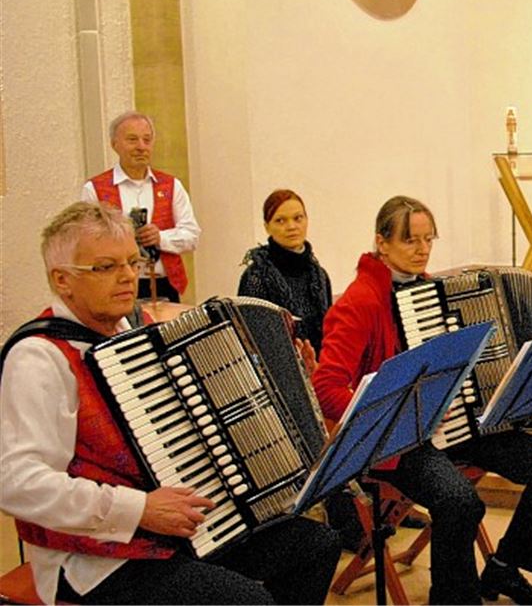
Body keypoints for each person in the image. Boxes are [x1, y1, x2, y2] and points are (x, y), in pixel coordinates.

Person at [0, 202, 340, 605]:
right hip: (92, 557)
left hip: (179, 529)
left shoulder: (141, 338)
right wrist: (137, 508)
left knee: (315, 546)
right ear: (63, 280)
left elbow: (212, 408)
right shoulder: (40, 358)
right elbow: (15, 483)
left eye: (132, 261)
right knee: (246, 601)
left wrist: (290, 377)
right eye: (106, 267)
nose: (128, 276)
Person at [311, 195, 532, 605]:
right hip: (397, 440)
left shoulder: (431, 294)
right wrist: (401, 414)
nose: (422, 250)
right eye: (410, 241)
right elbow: (326, 387)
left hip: (454, 424)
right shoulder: (360, 302)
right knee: (458, 501)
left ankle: (504, 567)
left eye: (428, 239)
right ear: (382, 243)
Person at [80, 111, 201, 303]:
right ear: (114, 144)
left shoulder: (171, 186)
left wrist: (160, 237)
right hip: (116, 285)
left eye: (147, 140)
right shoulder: (95, 189)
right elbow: (88, 242)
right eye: (132, 140)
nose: (141, 147)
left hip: (164, 285)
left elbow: (192, 235)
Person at [238, 189, 333, 358]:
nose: (291, 227)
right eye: (280, 220)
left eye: (298, 218)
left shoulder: (319, 275)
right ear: (267, 227)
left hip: (320, 368)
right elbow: (252, 342)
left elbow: (330, 332)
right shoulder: (256, 277)